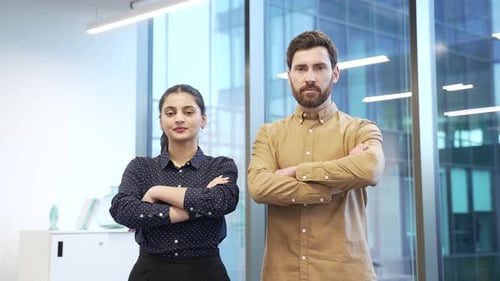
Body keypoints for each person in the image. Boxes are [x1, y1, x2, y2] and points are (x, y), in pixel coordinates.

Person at [247, 30, 385, 281]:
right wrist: (332, 188)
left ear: (335, 73)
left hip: (347, 274)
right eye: (300, 69)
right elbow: (259, 187)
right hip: (281, 274)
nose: (310, 77)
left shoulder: (360, 129)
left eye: (319, 67)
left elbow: (370, 168)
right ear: (288, 75)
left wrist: (297, 171)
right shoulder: (269, 134)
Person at [110, 84, 239, 281]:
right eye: (170, 113)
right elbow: (123, 210)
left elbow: (220, 202)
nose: (179, 118)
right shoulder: (141, 167)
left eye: (188, 112)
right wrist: (198, 205)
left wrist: (157, 191)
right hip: (150, 272)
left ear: (203, 119)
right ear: (161, 121)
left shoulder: (220, 165)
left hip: (207, 272)